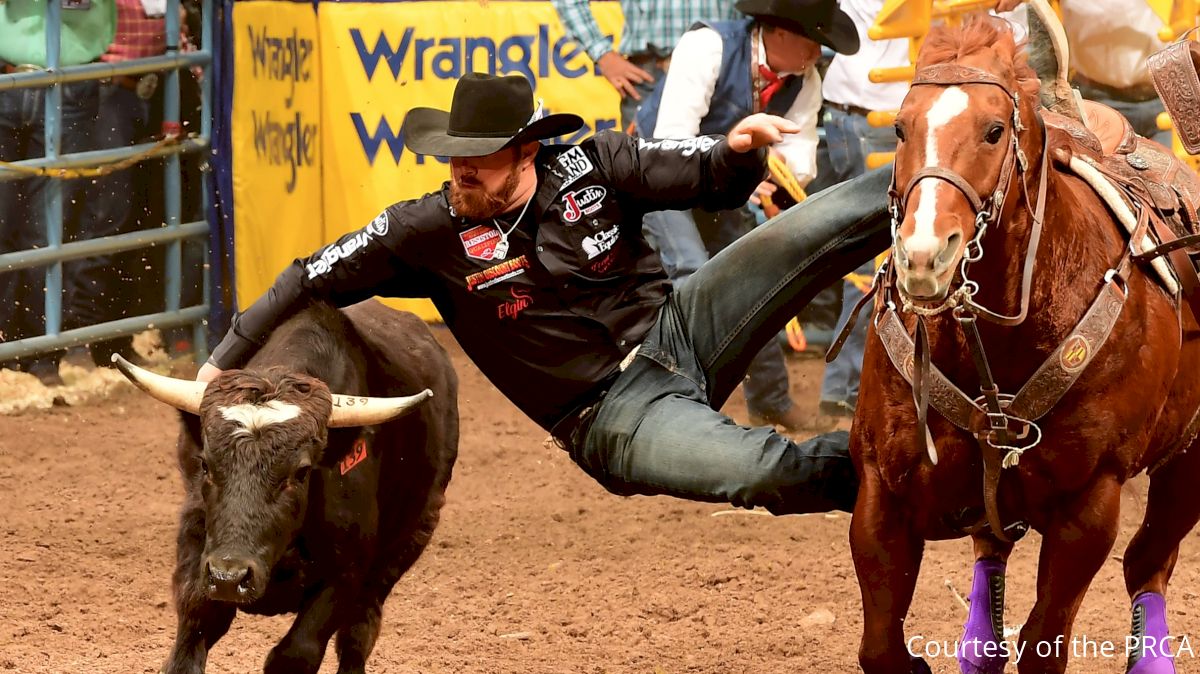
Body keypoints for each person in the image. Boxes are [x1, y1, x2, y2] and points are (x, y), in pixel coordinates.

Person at [197, 73, 893, 515]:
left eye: (479, 155)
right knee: (762, 472)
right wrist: (220, 361)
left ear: (526, 151)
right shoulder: (422, 231)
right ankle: (908, 472)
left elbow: (706, 175)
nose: (459, 169)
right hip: (609, 417)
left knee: (808, 230)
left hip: (681, 329)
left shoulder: (593, 162)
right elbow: (309, 273)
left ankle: (966, 181)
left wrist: (738, 151)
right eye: (453, 154)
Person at [632, 0, 860, 430]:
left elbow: (800, 153)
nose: (818, 52)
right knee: (692, 272)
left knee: (754, 281)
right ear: (779, 33)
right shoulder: (707, 47)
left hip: (722, 187)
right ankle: (686, 403)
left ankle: (770, 400)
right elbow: (671, 141)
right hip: (657, 176)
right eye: (813, 40)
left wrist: (775, 175)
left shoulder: (804, 81)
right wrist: (743, 174)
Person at [0, 0, 116, 385]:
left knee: (47, 230)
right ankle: (11, 348)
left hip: (70, 80)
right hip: (8, 74)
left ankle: (40, 351)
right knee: (9, 223)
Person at [809, 0, 906, 422]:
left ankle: (842, 386)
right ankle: (846, 388)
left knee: (849, 251)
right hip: (881, 113)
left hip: (847, 110)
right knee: (875, 257)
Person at [551, 0, 741, 129]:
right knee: (643, 175)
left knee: (725, 173)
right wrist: (601, 52)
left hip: (724, 77)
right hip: (650, 77)